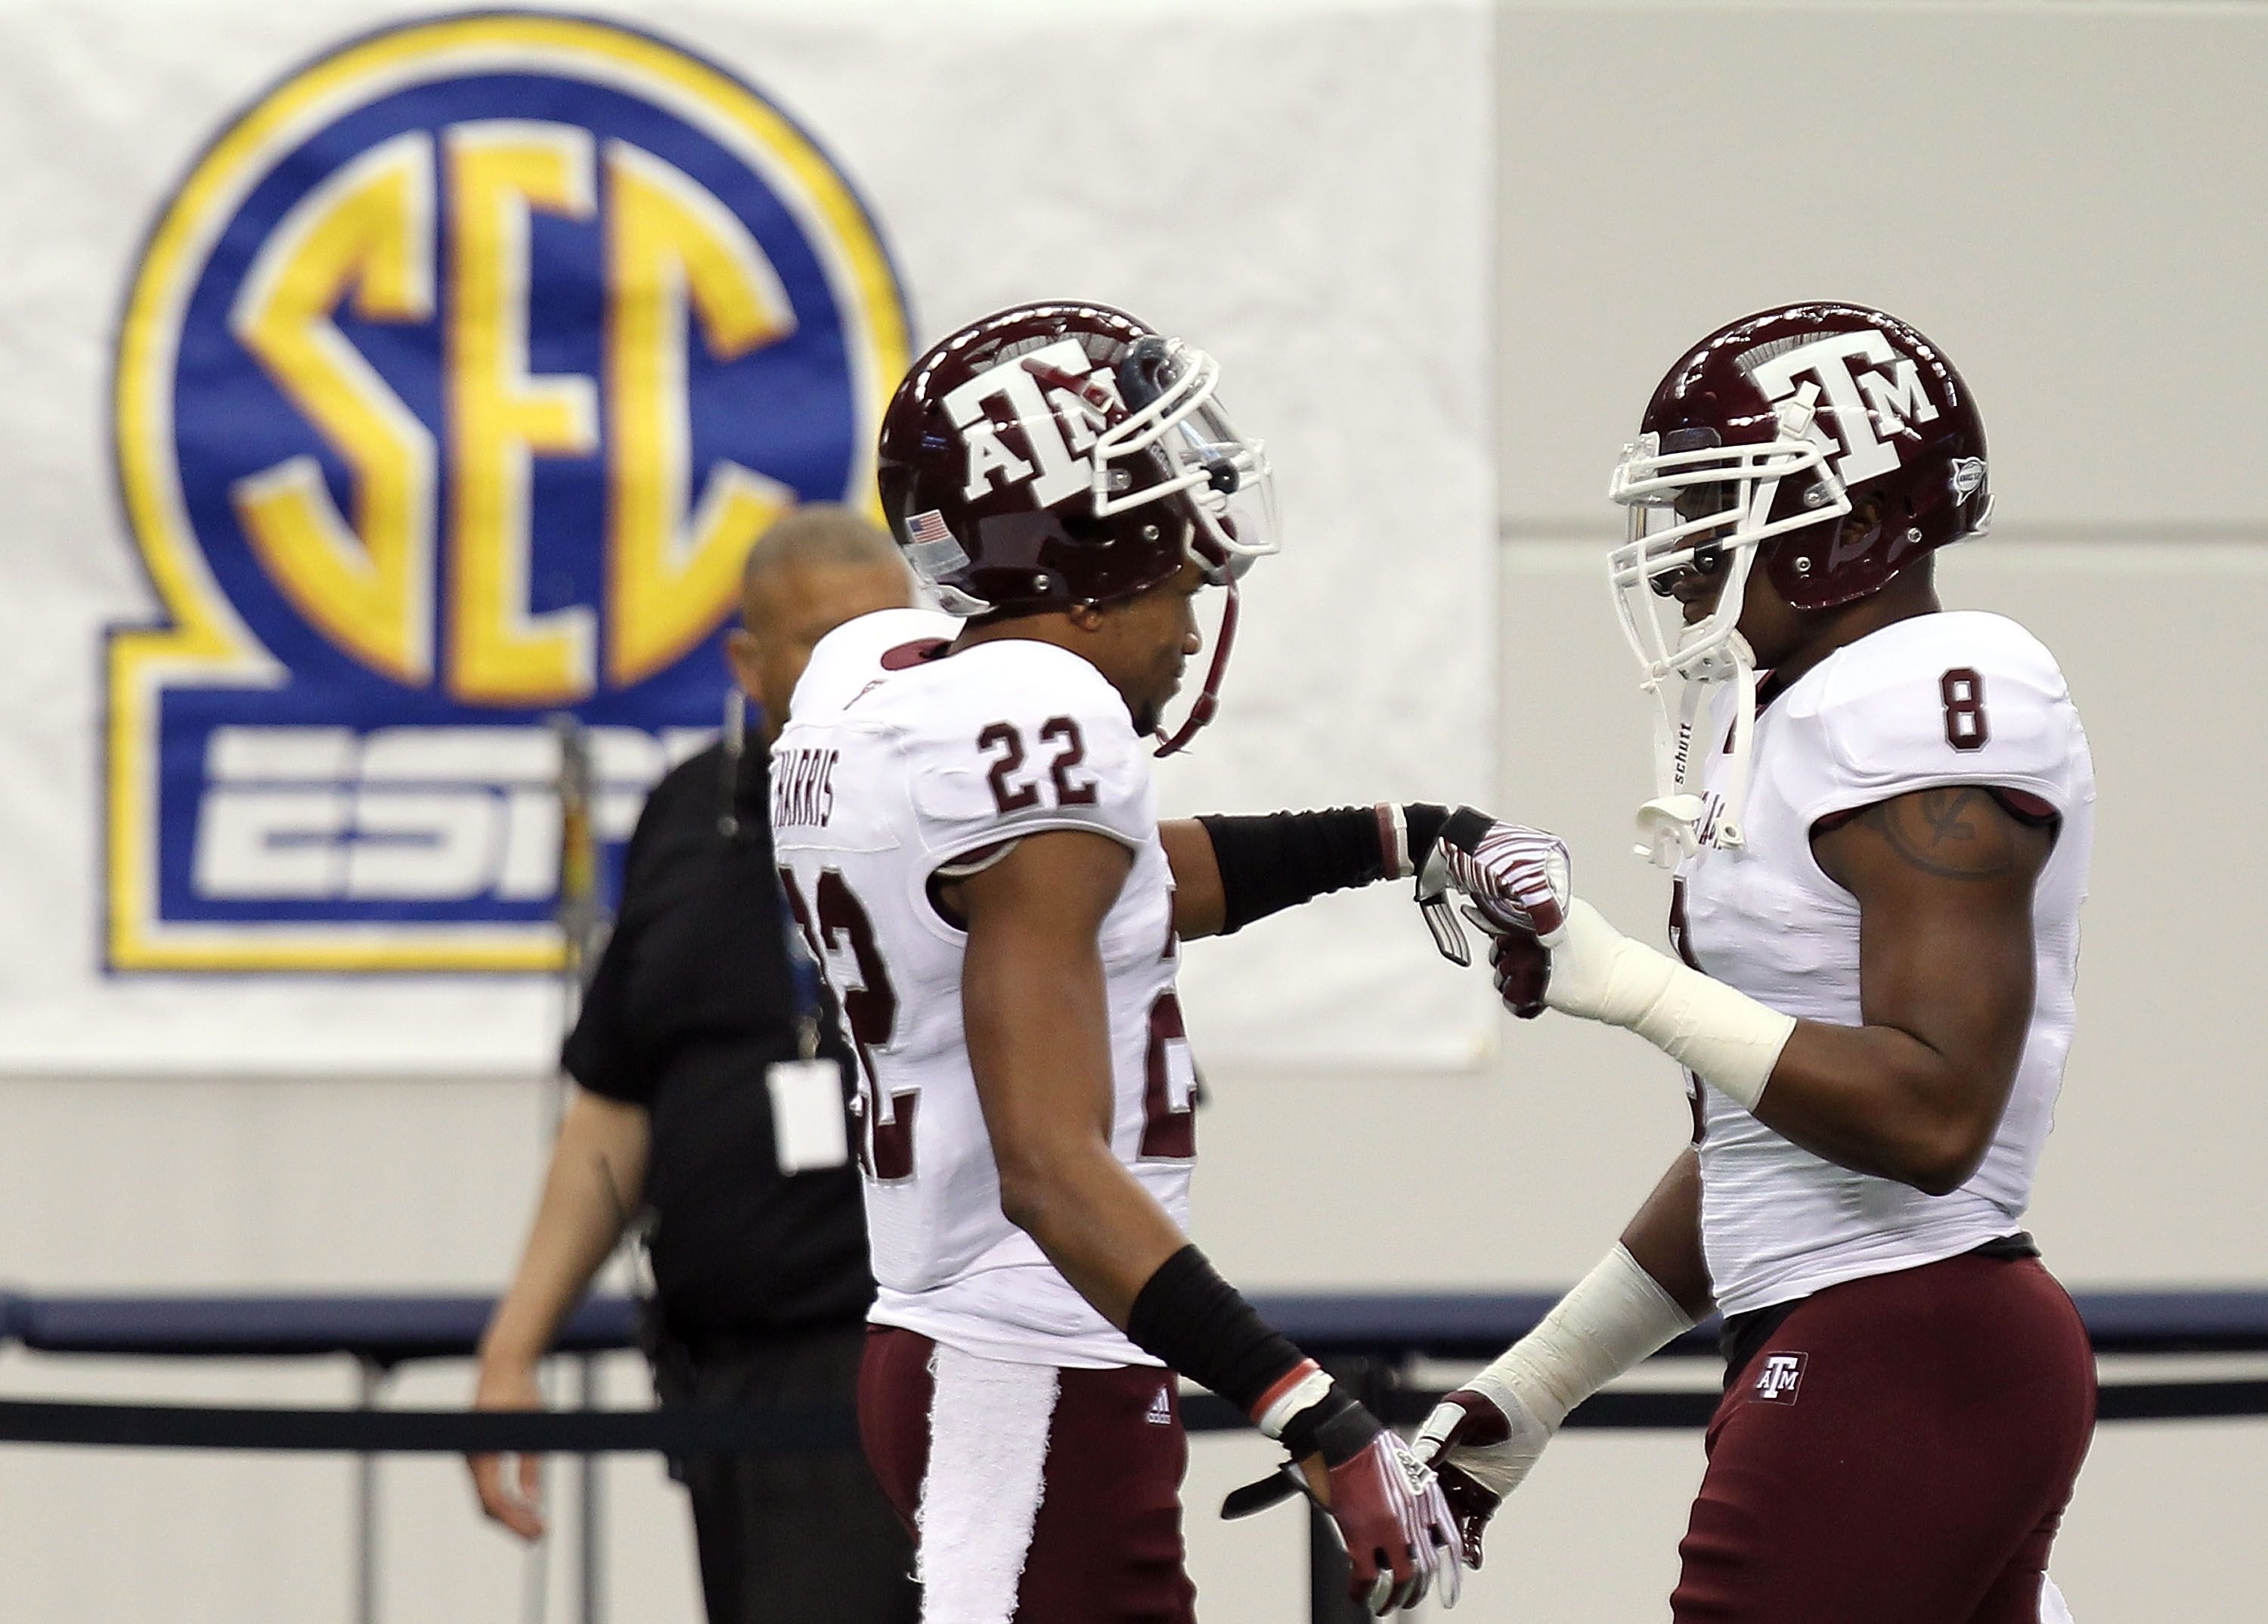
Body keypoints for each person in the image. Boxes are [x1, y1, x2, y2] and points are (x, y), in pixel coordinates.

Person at [772, 301, 1571, 1622]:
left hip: (992, 1348)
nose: (1191, 627)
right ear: (1081, 555)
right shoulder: (1041, 716)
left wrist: (1406, 837)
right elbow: (1051, 1166)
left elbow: (1134, 884)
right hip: (1018, 1364)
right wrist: (1313, 1410)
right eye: (1174, 585)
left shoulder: (885, 686)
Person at [1416, 303, 2096, 1624]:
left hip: (1906, 1343)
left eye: (1718, 508)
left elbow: (1931, 1111)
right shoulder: (1792, 710)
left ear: (1845, 519)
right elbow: (1767, 1153)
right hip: (1884, 1338)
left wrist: (1629, 986)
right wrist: (1537, 1387)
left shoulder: (1929, 693)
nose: (1680, 559)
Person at [469, 506, 926, 1624]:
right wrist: (512, 1353)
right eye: (825, 644)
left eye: (892, 641)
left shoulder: (963, 810)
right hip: (725, 1378)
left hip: (896, 1359)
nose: (865, 677)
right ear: (750, 661)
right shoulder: (687, 814)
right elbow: (613, 1109)